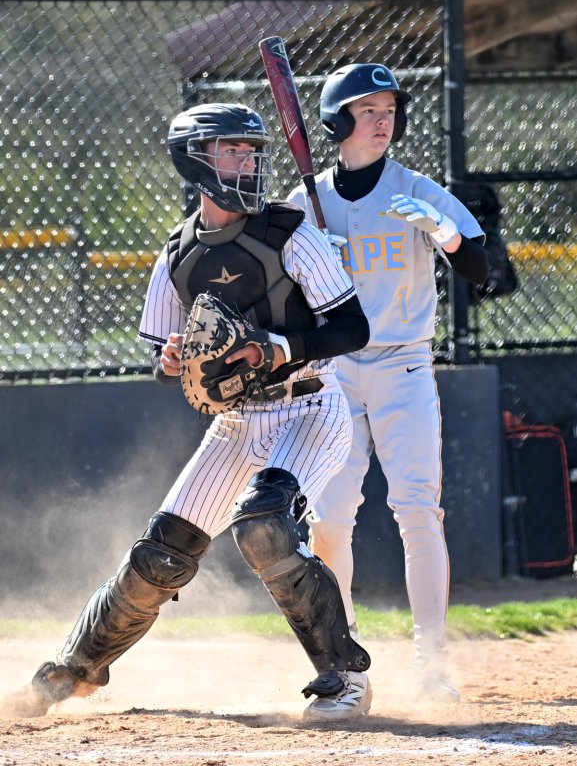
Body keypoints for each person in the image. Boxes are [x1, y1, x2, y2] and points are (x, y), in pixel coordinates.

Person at [0, 102, 372, 723]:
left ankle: (345, 679)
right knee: (159, 557)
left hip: (309, 408)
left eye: (252, 151)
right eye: (232, 150)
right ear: (194, 160)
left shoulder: (290, 232)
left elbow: (353, 327)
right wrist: (174, 356)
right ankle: (76, 669)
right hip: (235, 423)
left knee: (264, 527)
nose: (247, 162)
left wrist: (279, 346)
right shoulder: (178, 252)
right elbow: (163, 355)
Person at [287, 64, 490, 702]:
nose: (383, 120)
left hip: (404, 365)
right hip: (336, 373)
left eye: (390, 109)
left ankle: (432, 663)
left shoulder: (417, 190)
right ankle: (345, 662)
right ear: (337, 121)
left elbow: (482, 268)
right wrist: (308, 252)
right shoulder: (305, 203)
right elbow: (282, 298)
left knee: (417, 510)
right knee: (330, 518)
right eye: (367, 109)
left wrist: (450, 236)